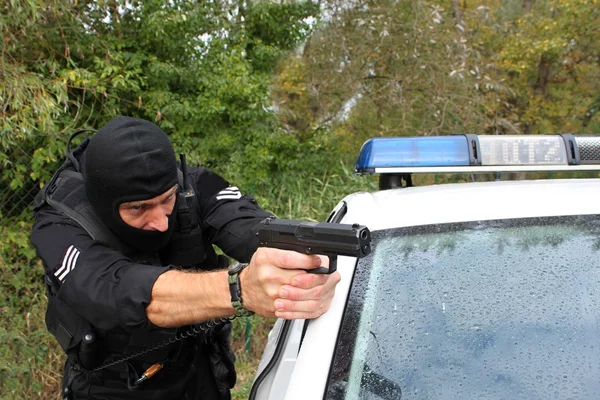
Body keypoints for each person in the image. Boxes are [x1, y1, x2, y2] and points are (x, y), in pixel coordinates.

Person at [30, 116, 341, 399]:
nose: (162, 221)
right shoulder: (59, 224)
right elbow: (113, 290)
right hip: (113, 386)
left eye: (167, 200)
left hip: (201, 370)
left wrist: (297, 249)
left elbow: (245, 222)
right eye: (139, 208)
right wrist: (238, 290)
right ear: (103, 202)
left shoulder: (190, 183)